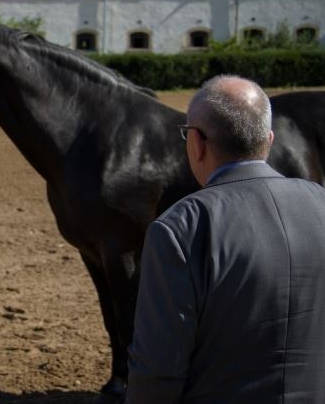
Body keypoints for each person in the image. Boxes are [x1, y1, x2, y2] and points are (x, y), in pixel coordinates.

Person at [127, 75, 325, 403]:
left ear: (197, 143)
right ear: (270, 139)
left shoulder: (179, 229)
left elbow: (157, 372)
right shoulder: (320, 203)